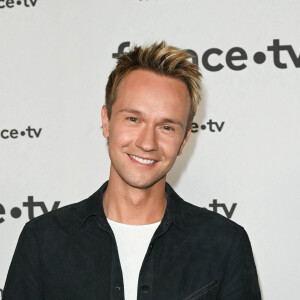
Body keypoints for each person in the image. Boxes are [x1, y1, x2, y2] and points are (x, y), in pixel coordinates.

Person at [3, 41, 261, 300]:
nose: (147, 143)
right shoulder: (43, 240)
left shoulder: (225, 244)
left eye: (167, 127)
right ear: (106, 121)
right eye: (134, 119)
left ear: (183, 141)